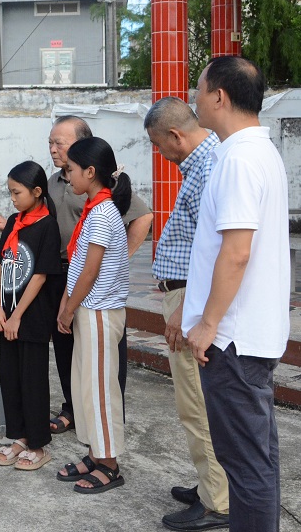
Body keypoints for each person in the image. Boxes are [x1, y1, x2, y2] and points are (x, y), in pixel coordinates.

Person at [0, 115, 152, 435]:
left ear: (81, 146)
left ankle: (107, 418)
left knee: (104, 352)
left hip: (93, 280)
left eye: (58, 143)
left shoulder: (103, 186)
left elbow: (143, 217)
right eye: (50, 142)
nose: (52, 148)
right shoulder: (52, 182)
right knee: (64, 344)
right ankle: (73, 409)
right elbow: (37, 214)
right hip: (56, 273)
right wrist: (8, 223)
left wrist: (117, 259)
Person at [184, 56, 289, 531]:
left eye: (199, 88)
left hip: (232, 340)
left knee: (245, 464)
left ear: (220, 96)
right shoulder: (255, 151)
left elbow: (236, 253)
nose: (194, 97)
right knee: (257, 460)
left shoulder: (241, 158)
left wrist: (208, 324)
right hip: (248, 335)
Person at [145, 97, 229, 531]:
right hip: (185, 296)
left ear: (175, 136)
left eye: (160, 146)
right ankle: (210, 484)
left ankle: (218, 501)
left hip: (190, 300)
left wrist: (186, 312)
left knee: (197, 405)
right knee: (197, 402)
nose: (161, 154)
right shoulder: (201, 164)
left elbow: (211, 251)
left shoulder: (210, 166)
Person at [55, 136, 130, 494]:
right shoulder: (93, 208)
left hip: (99, 310)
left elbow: (90, 271)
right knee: (85, 385)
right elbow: (79, 266)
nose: (67, 176)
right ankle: (95, 454)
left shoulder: (102, 213)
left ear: (90, 171)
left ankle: (110, 463)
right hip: (87, 308)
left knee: (100, 389)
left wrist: (68, 309)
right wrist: (67, 305)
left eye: (70, 170)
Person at [0, 161, 61, 472]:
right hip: (6, 314)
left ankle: (38, 444)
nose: (13, 198)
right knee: (11, 377)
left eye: (17, 192)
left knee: (32, 379)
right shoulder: (13, 222)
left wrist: (18, 315)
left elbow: (41, 276)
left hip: (30, 317)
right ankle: (18, 437)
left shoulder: (47, 226)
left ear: (36, 191)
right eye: (10, 193)